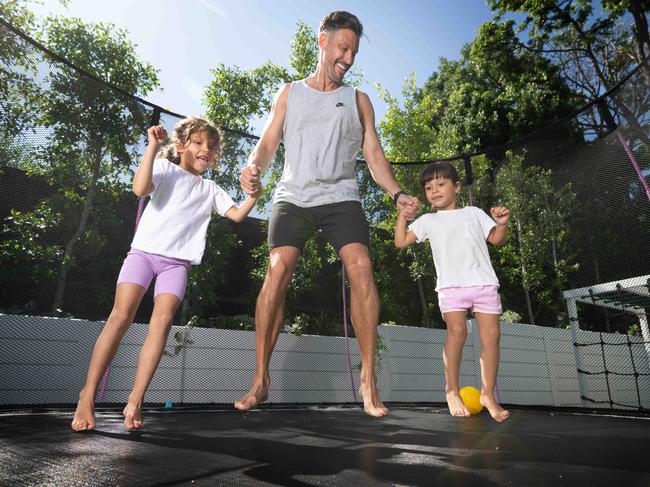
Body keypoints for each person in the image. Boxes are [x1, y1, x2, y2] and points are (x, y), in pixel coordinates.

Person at [236, 11, 419, 417]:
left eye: (353, 51)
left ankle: (369, 381)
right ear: (322, 41)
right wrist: (253, 169)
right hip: (293, 196)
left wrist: (397, 194)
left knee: (361, 266)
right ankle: (260, 379)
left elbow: (374, 155)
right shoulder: (289, 93)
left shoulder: (357, 100)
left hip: (341, 197)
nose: (349, 57)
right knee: (278, 270)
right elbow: (266, 144)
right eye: (343, 47)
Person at [71, 116, 260, 431]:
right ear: (183, 145)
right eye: (199, 143)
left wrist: (254, 194)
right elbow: (139, 188)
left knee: (160, 327)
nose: (206, 150)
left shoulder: (211, 188)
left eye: (211, 147)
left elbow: (238, 214)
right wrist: (152, 147)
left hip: (176, 264)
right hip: (143, 255)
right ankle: (87, 396)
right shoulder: (163, 168)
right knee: (120, 318)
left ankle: (136, 398)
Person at [394, 161, 510, 422]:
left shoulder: (474, 213)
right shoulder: (427, 221)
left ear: (456, 187)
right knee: (457, 333)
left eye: (441, 184)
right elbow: (400, 242)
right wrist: (403, 215)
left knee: (491, 336)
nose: (434, 190)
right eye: (428, 187)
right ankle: (451, 390)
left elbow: (497, 240)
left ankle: (488, 395)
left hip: (482, 283)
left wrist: (501, 224)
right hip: (451, 286)